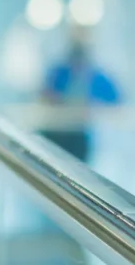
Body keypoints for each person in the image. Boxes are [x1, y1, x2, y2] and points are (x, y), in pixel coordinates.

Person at [38, 27, 121, 164]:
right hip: (55, 131)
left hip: (78, 134)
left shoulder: (94, 75)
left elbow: (115, 100)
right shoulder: (60, 72)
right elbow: (44, 95)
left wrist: (93, 108)